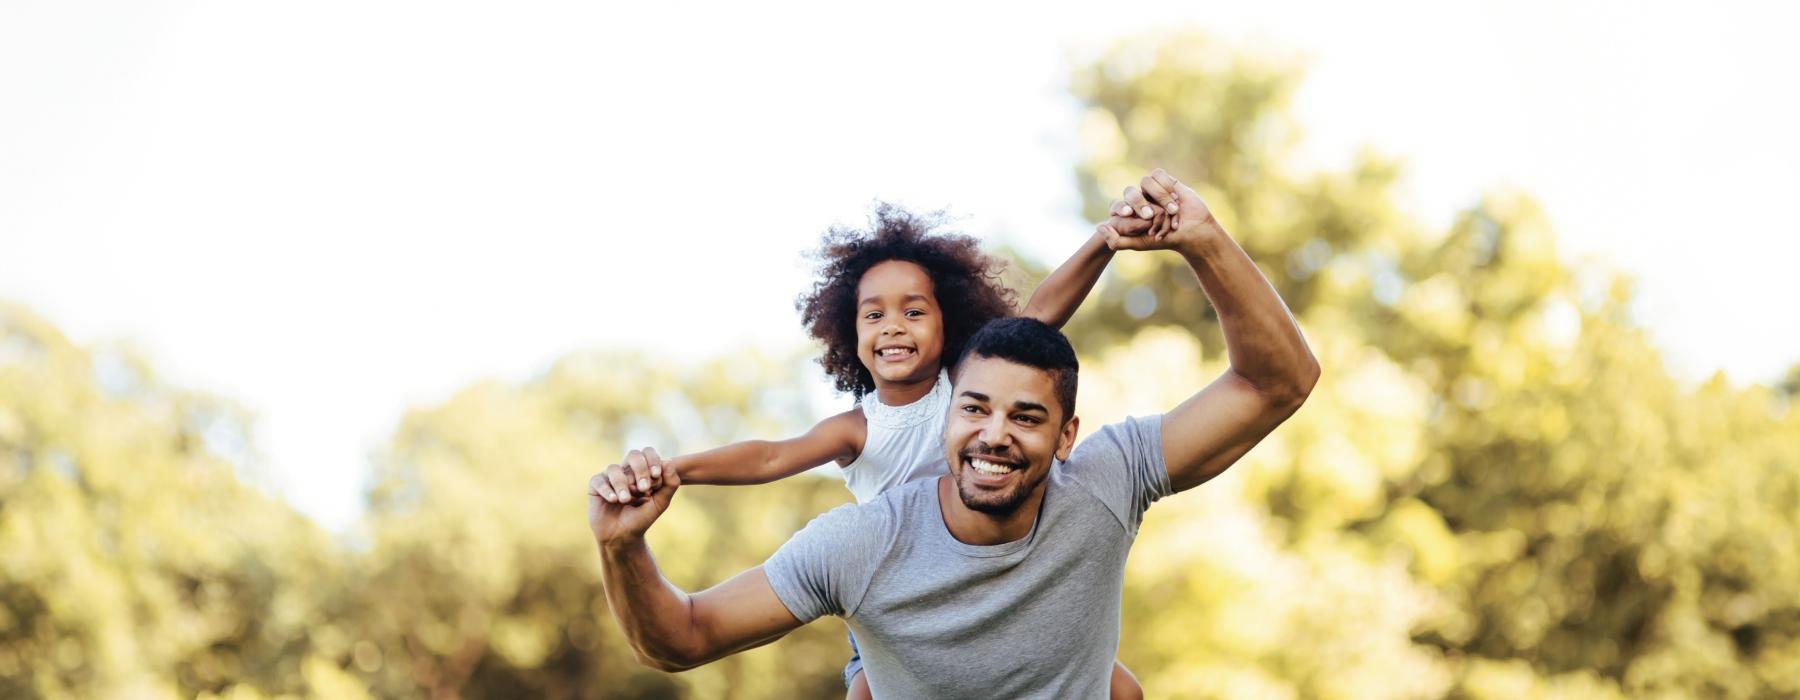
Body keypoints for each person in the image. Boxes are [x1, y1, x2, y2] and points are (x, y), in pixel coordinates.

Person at [588, 169, 1319, 697]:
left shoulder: (1105, 481)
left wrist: (1201, 238)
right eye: (974, 410)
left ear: (1066, 436)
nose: (993, 433)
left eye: (1026, 416)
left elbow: (1275, 383)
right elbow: (679, 639)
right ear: (950, 413)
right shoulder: (861, 542)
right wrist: (623, 545)